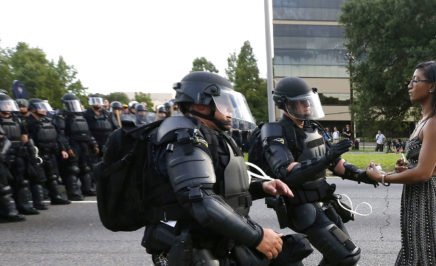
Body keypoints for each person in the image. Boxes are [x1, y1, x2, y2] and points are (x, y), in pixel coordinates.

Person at [134, 72, 293, 265]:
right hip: (190, 247)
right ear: (201, 104)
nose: (230, 110)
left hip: (217, 239)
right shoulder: (184, 139)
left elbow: (219, 189)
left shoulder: (213, 136)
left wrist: (261, 187)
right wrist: (257, 237)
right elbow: (200, 198)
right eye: (224, 103)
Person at [259, 76, 378, 265]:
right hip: (300, 206)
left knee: (341, 256)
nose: (307, 105)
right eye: (301, 102)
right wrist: (326, 158)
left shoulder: (313, 128)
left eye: (308, 100)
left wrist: (364, 175)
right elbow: (286, 173)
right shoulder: (275, 131)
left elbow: (336, 163)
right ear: (285, 104)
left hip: (322, 202)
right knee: (346, 256)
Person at [367, 60, 436, 265]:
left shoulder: (433, 122)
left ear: (432, 86)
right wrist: (407, 168)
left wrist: (382, 177)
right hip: (416, 198)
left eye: (416, 80)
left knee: (425, 254)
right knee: (415, 251)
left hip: (427, 199)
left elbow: (424, 173)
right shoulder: (424, 120)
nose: (409, 85)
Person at [25, 98, 71, 205]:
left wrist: (63, 149)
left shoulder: (48, 121)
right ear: (33, 109)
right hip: (38, 154)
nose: (44, 110)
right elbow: (28, 140)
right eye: (40, 107)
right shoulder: (29, 123)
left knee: (52, 176)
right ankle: (38, 202)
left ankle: (56, 197)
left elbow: (58, 136)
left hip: (51, 153)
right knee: (37, 178)